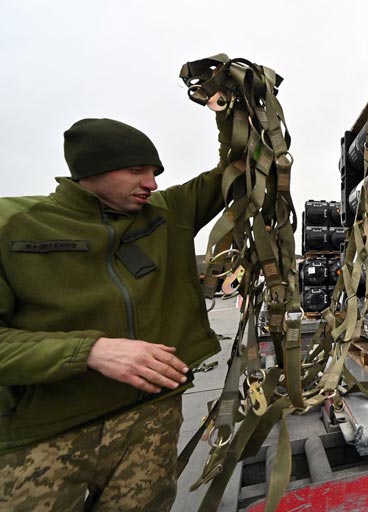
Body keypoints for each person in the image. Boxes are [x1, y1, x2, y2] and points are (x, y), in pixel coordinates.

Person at [0, 115, 229, 511]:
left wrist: (232, 106)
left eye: (155, 172)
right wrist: (91, 350)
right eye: (137, 170)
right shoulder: (15, 225)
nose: (152, 183)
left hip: (152, 417)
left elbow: (240, 167)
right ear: (91, 169)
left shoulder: (168, 212)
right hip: (47, 432)